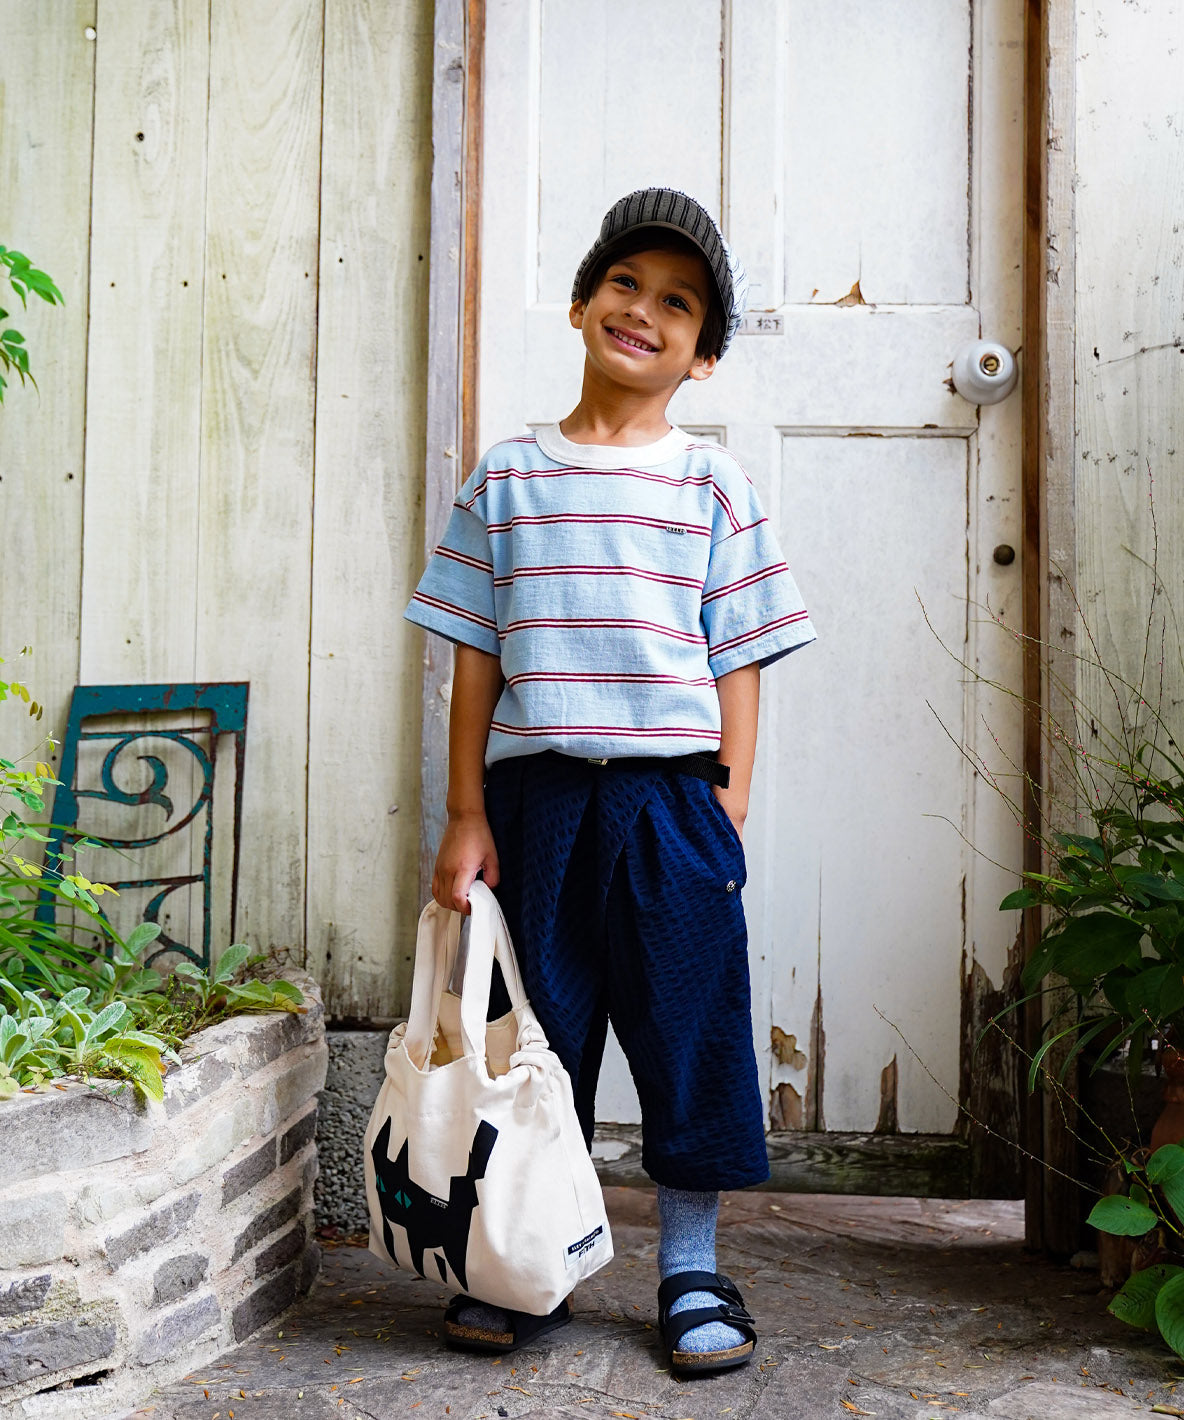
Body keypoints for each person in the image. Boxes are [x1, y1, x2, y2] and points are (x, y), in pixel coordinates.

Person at [404, 187, 816, 1376]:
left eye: (677, 303)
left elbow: (738, 656)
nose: (645, 311)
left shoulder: (710, 486)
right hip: (537, 806)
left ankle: (690, 1267)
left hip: (670, 805)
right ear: (582, 302)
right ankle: (537, 1259)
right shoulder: (509, 478)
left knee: (687, 1032)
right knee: (546, 1036)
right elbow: (474, 655)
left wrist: (723, 806)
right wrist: (466, 809)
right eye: (625, 285)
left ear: (704, 352)